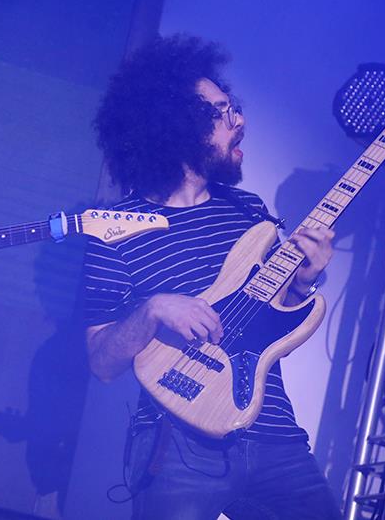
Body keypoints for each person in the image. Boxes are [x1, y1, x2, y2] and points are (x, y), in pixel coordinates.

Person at [84, 34, 341, 519]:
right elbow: (101, 363)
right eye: (222, 113)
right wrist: (153, 310)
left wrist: (304, 281)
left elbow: (270, 328)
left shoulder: (251, 214)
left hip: (273, 436)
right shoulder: (114, 233)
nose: (238, 121)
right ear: (176, 128)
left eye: (233, 108)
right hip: (177, 445)